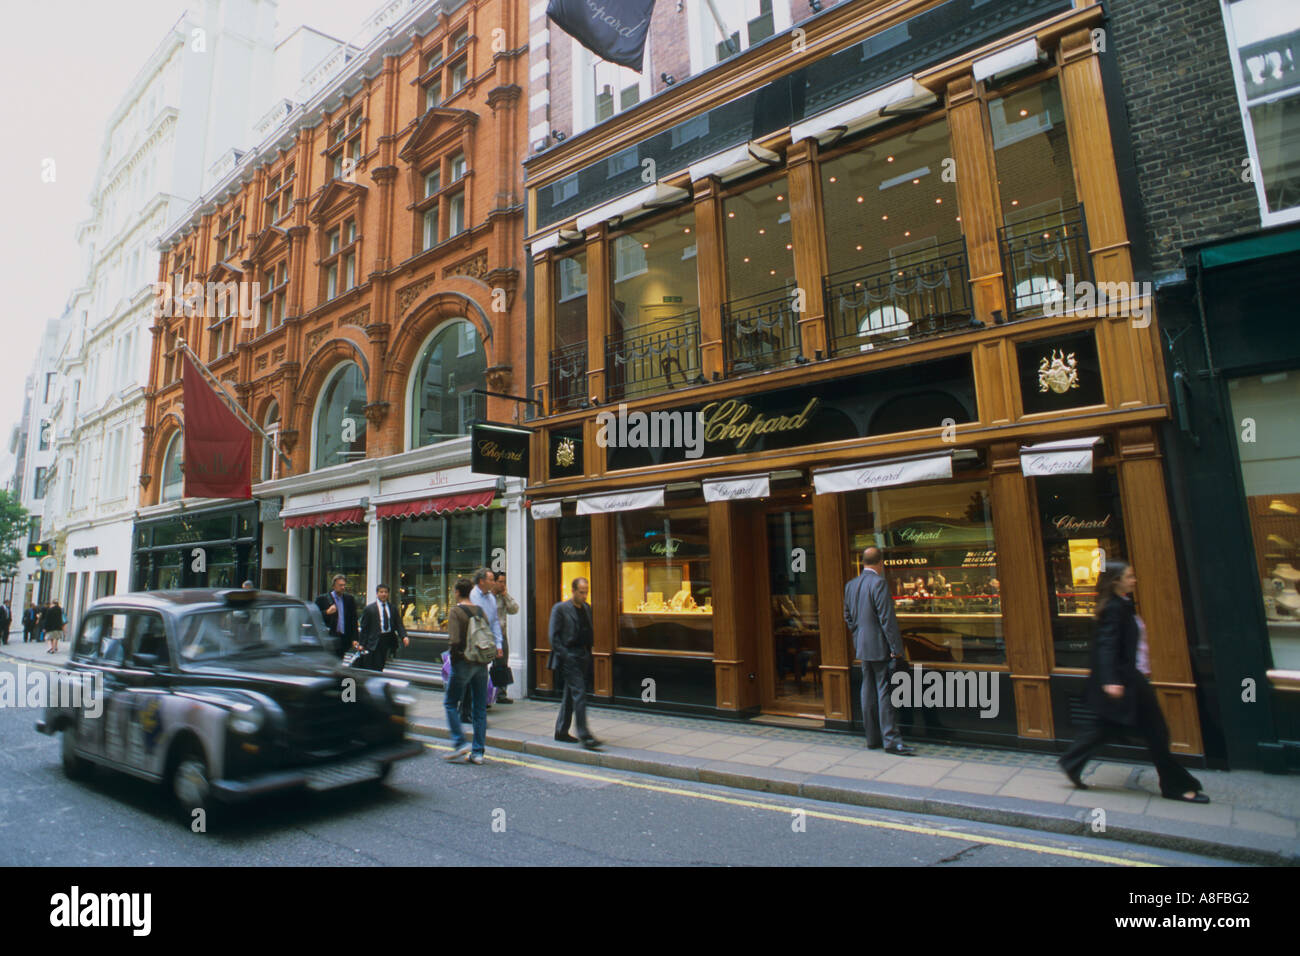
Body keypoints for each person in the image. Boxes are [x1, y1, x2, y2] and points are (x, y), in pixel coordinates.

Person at [1059, 562, 1209, 803]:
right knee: (1156, 732)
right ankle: (1176, 786)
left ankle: (1071, 762)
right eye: (1129, 576)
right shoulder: (1114, 608)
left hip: (1129, 677)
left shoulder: (1124, 605)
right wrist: (1110, 680)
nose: (1134, 580)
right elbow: (1106, 646)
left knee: (1108, 726)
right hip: (1127, 679)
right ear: (1116, 580)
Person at [844, 547, 914, 756]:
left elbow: (847, 617)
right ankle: (891, 741)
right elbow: (887, 619)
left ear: (863, 562)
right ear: (880, 563)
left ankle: (872, 738)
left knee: (867, 690)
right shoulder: (879, 583)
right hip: (880, 647)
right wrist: (896, 649)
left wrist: (858, 637)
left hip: (863, 646)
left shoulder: (851, 585)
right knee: (884, 692)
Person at [548, 577, 601, 750]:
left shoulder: (587, 608)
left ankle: (561, 731)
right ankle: (584, 734)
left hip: (583, 655)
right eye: (581, 592)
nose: (584, 595)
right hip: (569, 656)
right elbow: (553, 636)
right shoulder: (560, 609)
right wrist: (566, 655)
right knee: (580, 693)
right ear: (573, 591)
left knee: (570, 695)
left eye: (586, 592)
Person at [444, 577, 489, 764]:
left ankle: (459, 742)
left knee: (450, 703)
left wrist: (454, 660)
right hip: (481, 663)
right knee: (479, 708)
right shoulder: (480, 610)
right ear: (471, 591)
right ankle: (478, 753)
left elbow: (454, 640)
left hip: (463, 662)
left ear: (456, 592)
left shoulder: (455, 611)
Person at [357, 584, 408, 672]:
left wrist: (404, 636)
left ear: (388, 594)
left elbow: (399, 624)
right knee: (375, 666)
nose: (383, 594)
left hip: (388, 640)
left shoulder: (392, 608)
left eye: (385, 592)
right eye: (381, 592)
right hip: (375, 641)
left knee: (386, 664)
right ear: (377, 594)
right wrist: (361, 644)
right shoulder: (369, 609)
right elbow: (364, 628)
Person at [314, 574, 358, 659]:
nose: (343, 587)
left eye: (344, 585)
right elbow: (314, 617)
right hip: (328, 638)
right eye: (340, 585)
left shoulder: (349, 599)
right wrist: (327, 612)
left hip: (343, 639)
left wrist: (355, 638)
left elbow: (353, 619)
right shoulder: (322, 599)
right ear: (334, 586)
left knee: (339, 662)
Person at [492, 572, 519, 703]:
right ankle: (488, 693)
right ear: (494, 582)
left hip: (501, 635)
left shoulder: (503, 597)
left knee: (502, 664)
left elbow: (514, 609)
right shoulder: (488, 597)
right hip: (488, 636)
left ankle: (501, 693)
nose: (503, 585)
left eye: (504, 582)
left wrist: (505, 595)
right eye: (501, 582)